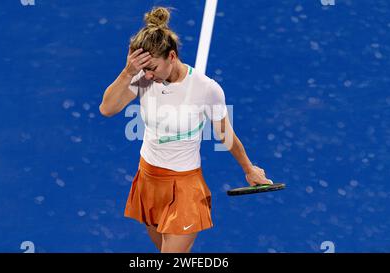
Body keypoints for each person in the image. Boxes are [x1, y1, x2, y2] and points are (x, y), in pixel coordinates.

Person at [99, 6, 273, 253]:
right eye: (143, 69)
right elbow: (107, 108)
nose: (148, 74)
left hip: (185, 187)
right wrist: (128, 73)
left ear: (171, 56)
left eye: (153, 68)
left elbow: (225, 134)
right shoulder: (143, 80)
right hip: (148, 179)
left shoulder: (206, 88)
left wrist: (249, 169)